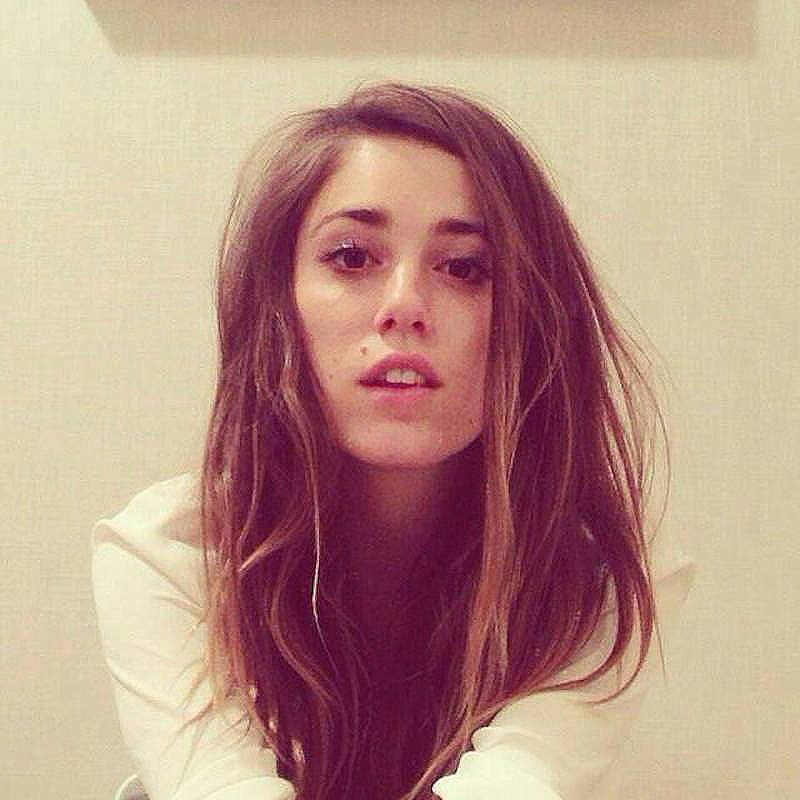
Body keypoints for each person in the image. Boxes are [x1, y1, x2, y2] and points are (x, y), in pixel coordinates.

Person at [91, 82, 695, 800]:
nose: (405, 306)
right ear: (277, 302)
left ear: (533, 322)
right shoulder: (172, 550)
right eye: (351, 257)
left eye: (464, 267)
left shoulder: (599, 572)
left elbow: (520, 786)